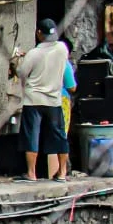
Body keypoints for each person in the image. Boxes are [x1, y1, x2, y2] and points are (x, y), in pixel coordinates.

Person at [12, 18, 70, 182]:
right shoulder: (62, 48)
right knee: (59, 135)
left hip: (34, 99)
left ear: (38, 33)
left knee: (32, 134)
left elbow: (21, 73)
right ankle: (62, 172)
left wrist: (18, 62)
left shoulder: (34, 53)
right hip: (54, 100)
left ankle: (31, 173)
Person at [60, 36, 78, 176]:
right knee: (62, 133)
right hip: (61, 99)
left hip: (42, 98)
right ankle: (62, 170)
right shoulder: (65, 64)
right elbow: (71, 87)